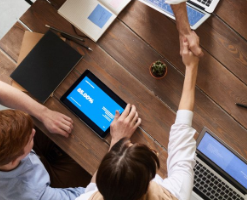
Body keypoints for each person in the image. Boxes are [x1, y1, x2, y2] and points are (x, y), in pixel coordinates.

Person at [75, 39, 200, 200]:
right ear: (147, 181)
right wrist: (191, 67)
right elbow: (182, 139)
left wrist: (116, 141)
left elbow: (91, 189)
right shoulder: (174, 194)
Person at [0, 79, 90, 199]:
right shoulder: (33, 194)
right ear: (15, 160)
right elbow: (91, 196)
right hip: (40, 185)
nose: (33, 131)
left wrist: (44, 113)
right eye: (30, 138)